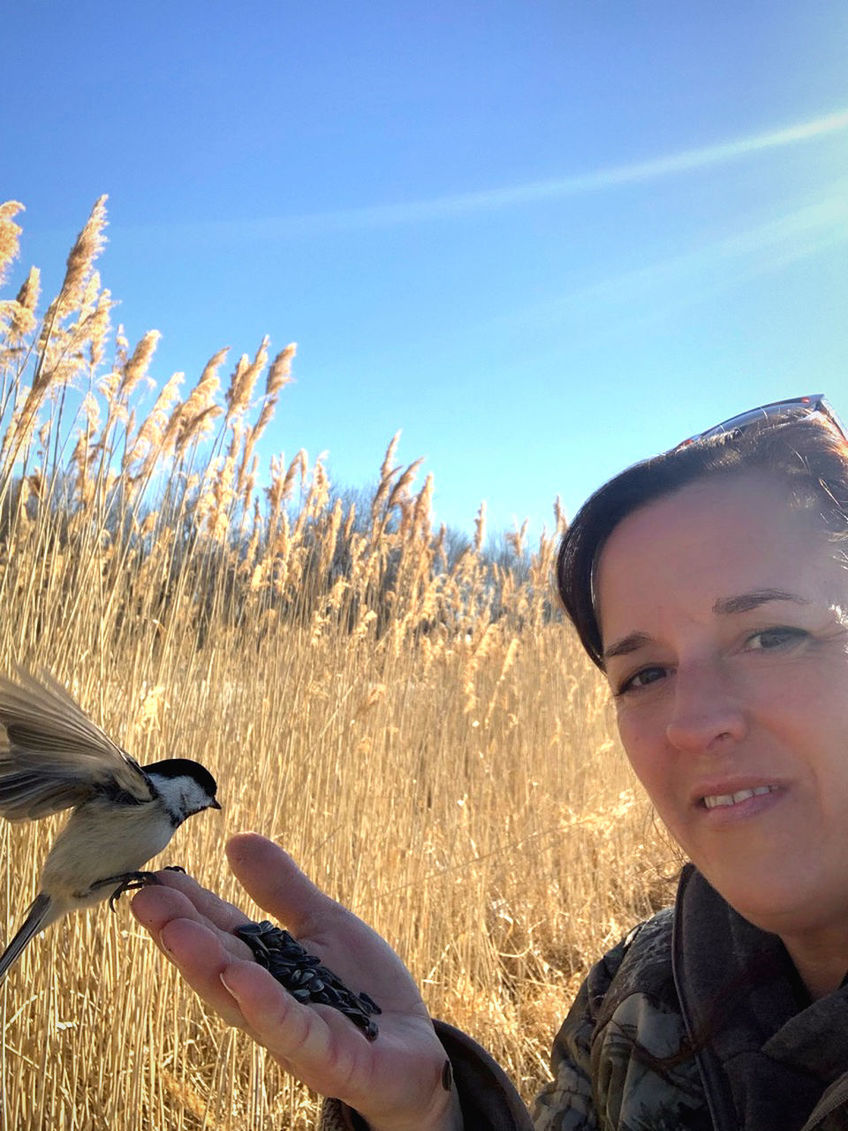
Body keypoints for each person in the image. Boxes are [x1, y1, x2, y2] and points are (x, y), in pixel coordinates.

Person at [132, 394, 848, 1131]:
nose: (693, 724)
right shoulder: (635, 996)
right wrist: (423, 1109)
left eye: (773, 636)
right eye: (643, 675)